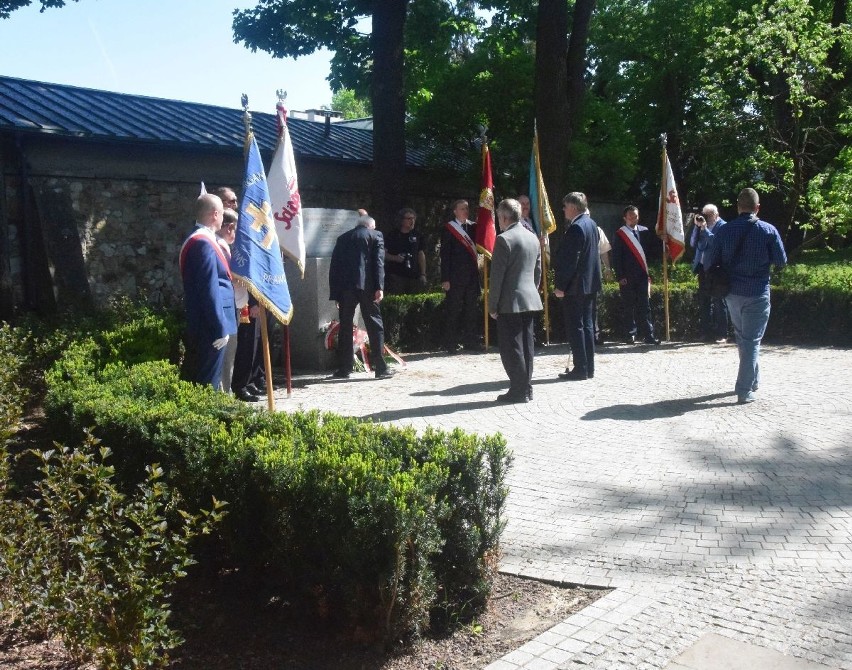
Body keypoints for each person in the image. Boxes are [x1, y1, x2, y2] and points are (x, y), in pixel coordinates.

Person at [703, 188, 786, 404]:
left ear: (738, 207)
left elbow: (709, 261)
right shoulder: (768, 230)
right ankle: (744, 389)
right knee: (751, 341)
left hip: (731, 293)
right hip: (757, 292)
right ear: (757, 207)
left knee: (744, 338)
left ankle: (753, 380)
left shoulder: (725, 230)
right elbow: (781, 261)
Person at [179, 193, 237, 389]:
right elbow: (208, 287)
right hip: (210, 326)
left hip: (211, 323)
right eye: (221, 213)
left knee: (212, 380)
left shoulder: (204, 239)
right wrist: (219, 327)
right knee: (208, 383)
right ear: (214, 214)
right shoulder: (202, 242)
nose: (223, 218)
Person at [488, 199, 543, 403]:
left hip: (510, 302)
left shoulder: (504, 239)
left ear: (503, 217)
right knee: (527, 346)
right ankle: (526, 387)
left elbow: (497, 278)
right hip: (530, 299)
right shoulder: (533, 238)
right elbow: (537, 273)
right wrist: (531, 292)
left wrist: (492, 305)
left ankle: (518, 390)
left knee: (511, 348)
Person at [214, 186, 266, 403]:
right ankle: (236, 385)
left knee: (249, 345)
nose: (234, 204)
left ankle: (246, 381)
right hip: (231, 302)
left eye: (235, 201)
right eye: (230, 201)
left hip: (243, 298)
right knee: (235, 348)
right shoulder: (216, 241)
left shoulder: (239, 235)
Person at [329, 210, 394, 379]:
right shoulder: (375, 235)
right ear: (370, 226)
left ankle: (345, 368)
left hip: (346, 289)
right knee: (374, 325)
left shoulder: (343, 238)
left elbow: (335, 267)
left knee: (345, 326)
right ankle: (380, 368)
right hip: (368, 287)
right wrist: (379, 287)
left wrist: (336, 293)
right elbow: (378, 263)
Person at [553, 192, 602, 380]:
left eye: (565, 206)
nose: (564, 209)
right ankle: (588, 367)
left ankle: (580, 368)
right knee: (588, 326)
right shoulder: (591, 223)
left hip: (576, 286)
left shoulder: (576, 227)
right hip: (589, 284)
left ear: (573, 207)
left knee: (576, 327)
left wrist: (561, 286)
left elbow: (570, 262)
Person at [612, 205, 660, 345]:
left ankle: (648, 335)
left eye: (636, 216)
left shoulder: (645, 231)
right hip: (627, 276)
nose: (634, 218)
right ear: (625, 218)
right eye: (631, 216)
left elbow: (652, 251)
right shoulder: (620, 234)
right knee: (629, 306)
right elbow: (616, 257)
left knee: (645, 306)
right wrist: (620, 276)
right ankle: (630, 334)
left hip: (642, 275)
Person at [440, 199, 481, 352]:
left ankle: (471, 342)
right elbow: (445, 255)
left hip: (471, 276)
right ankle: (450, 343)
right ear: (455, 211)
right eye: (462, 208)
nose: (466, 211)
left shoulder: (473, 227)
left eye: (467, 208)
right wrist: (445, 278)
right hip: (455, 277)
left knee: (471, 310)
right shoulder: (449, 228)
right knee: (453, 310)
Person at [214, 208, 245, 393]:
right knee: (227, 358)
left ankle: (226, 392)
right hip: (226, 308)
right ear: (230, 227)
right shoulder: (220, 246)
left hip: (232, 306)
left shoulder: (221, 245)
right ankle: (225, 395)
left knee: (230, 357)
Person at [690, 204, 729, 343]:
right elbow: (693, 243)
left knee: (719, 302)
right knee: (704, 301)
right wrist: (697, 227)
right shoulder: (701, 225)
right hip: (702, 267)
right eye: (705, 214)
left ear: (716, 214)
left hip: (716, 268)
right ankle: (705, 333)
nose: (707, 217)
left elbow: (716, 243)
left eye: (710, 214)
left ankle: (722, 333)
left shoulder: (723, 226)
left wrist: (705, 229)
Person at [384, 208, 428, 294]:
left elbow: (421, 254)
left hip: (414, 275)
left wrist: (423, 274)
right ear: (401, 220)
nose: (412, 221)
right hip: (396, 275)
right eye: (409, 219)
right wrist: (395, 258)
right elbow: (383, 254)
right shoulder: (392, 235)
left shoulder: (418, 235)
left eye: (413, 218)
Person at [594, 225, 613, 345]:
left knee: (595, 306)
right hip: (578, 277)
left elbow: (604, 250)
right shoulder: (573, 228)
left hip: (595, 274)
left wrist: (607, 268)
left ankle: (595, 333)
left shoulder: (598, 230)